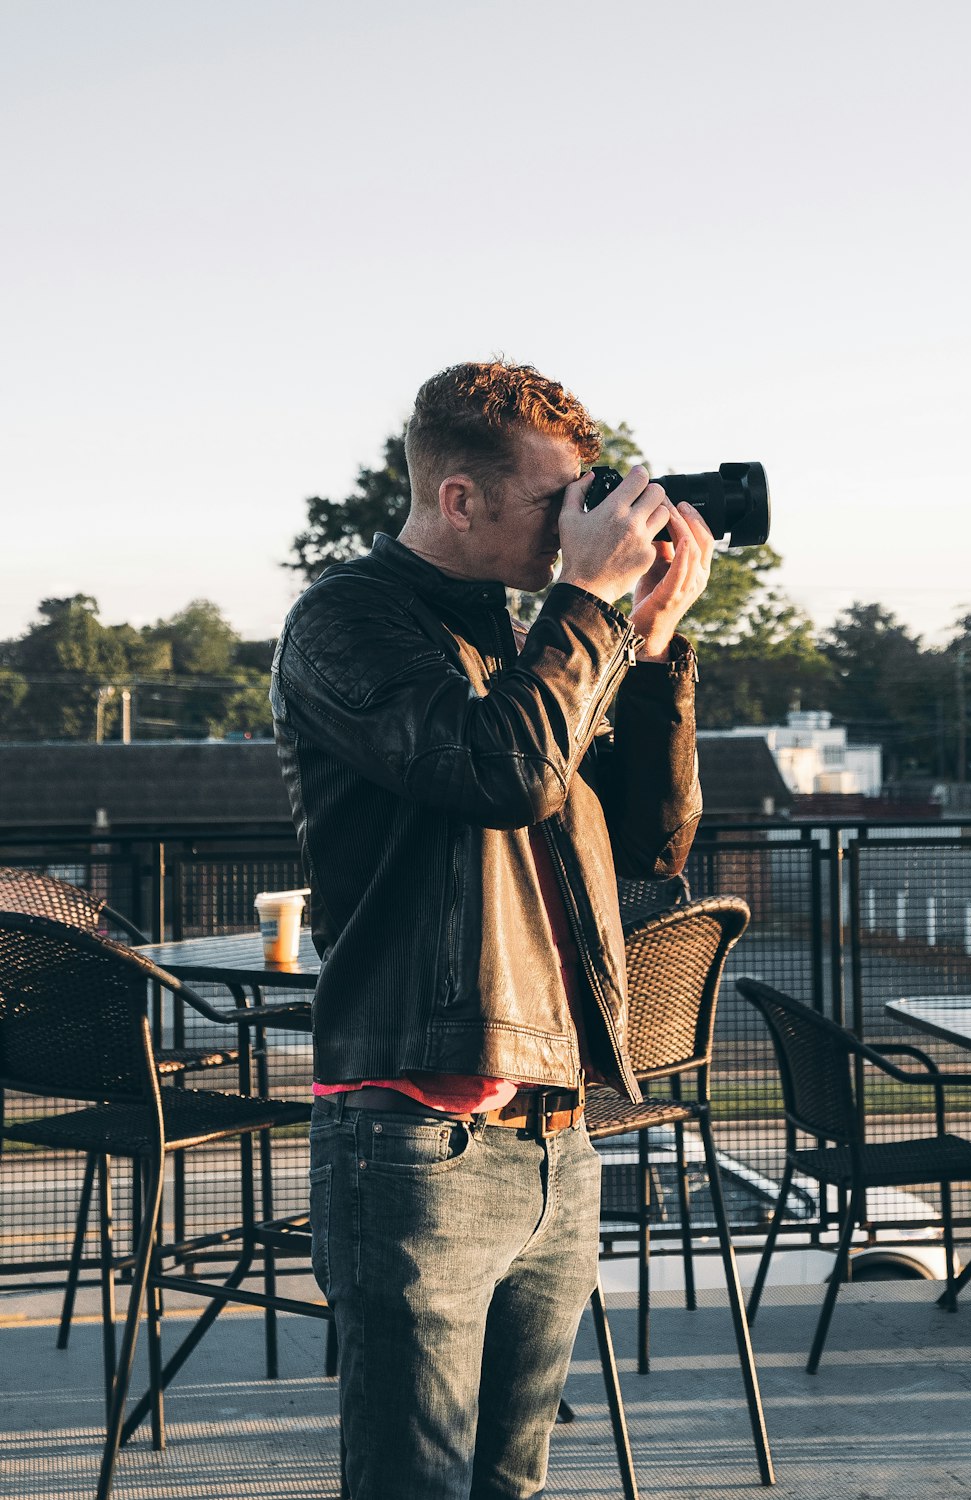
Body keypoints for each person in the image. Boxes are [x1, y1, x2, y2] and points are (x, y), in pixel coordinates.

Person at [270, 360, 714, 1500]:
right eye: (550, 498)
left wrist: (649, 645)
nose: (578, 524)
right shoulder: (344, 622)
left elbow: (656, 839)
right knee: (414, 1485)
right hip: (417, 1141)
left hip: (553, 1134)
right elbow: (499, 772)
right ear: (457, 498)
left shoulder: (529, 649)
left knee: (508, 1483)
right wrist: (586, 604)